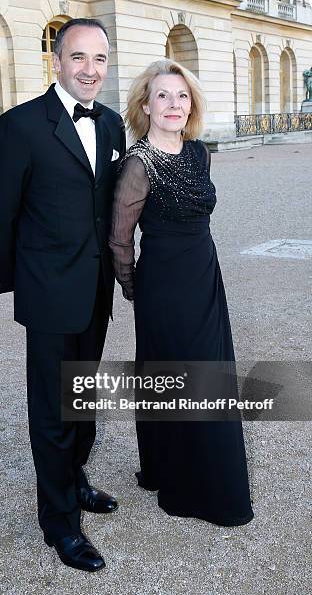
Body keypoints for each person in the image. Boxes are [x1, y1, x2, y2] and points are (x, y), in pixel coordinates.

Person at [0, 18, 126, 572]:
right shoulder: (20, 125)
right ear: (57, 61)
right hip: (48, 293)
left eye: (99, 60)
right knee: (52, 408)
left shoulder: (111, 125)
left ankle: (75, 477)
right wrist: (24, 282)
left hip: (95, 288)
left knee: (83, 397)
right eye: (79, 58)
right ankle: (59, 523)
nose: (90, 70)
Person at [109, 60, 254, 527]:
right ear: (145, 105)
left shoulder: (199, 152)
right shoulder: (136, 163)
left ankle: (192, 470)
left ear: (191, 104)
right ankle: (188, 484)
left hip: (205, 274)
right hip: (164, 286)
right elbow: (120, 238)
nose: (174, 104)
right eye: (163, 96)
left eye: (182, 95)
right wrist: (136, 289)